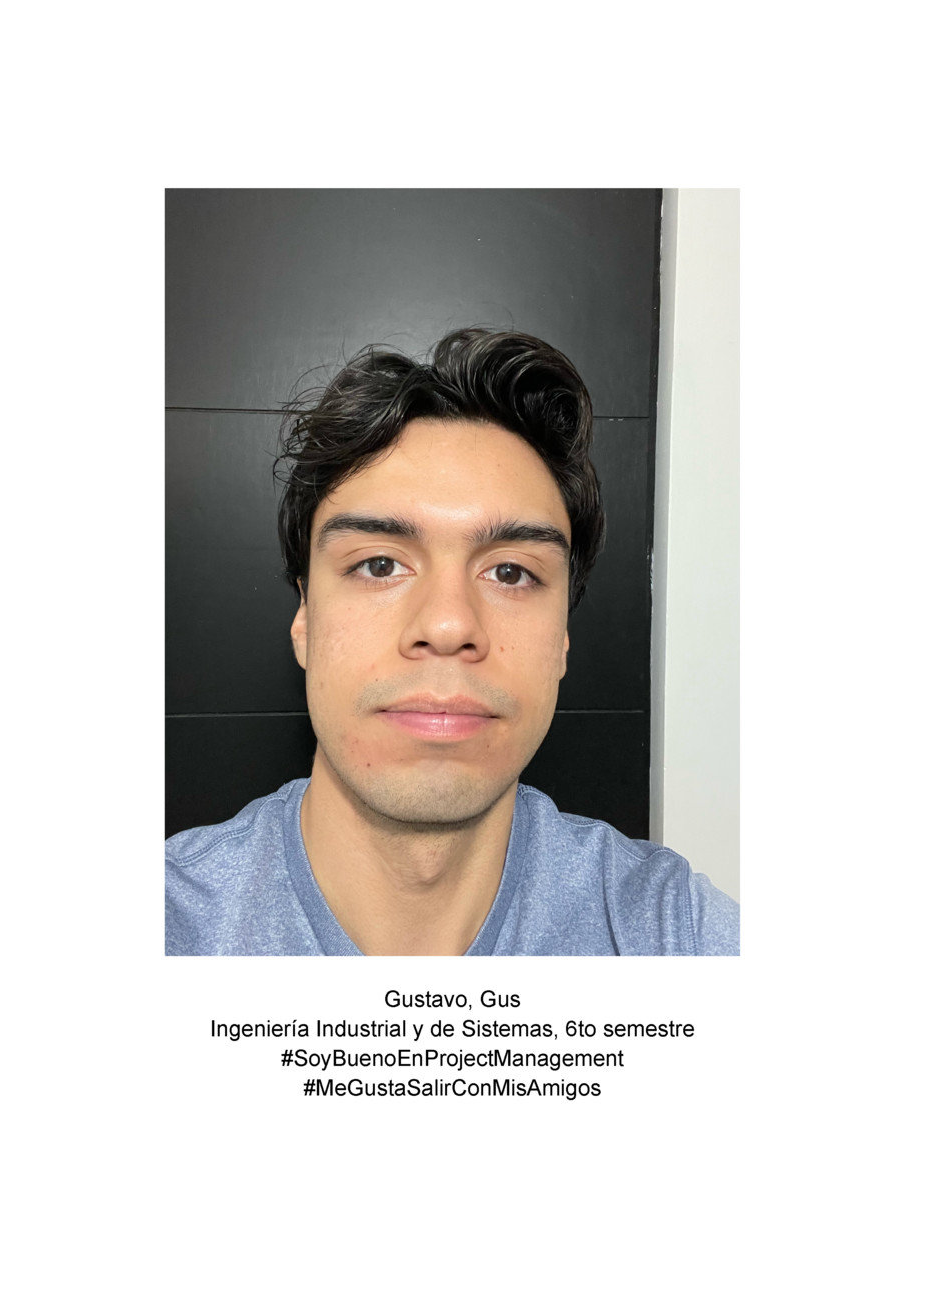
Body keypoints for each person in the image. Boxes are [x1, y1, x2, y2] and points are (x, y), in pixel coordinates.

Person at [166, 328, 739, 956]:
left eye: (510, 572)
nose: (447, 626)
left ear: (563, 639)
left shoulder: (671, 930)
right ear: (305, 617)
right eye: (380, 564)